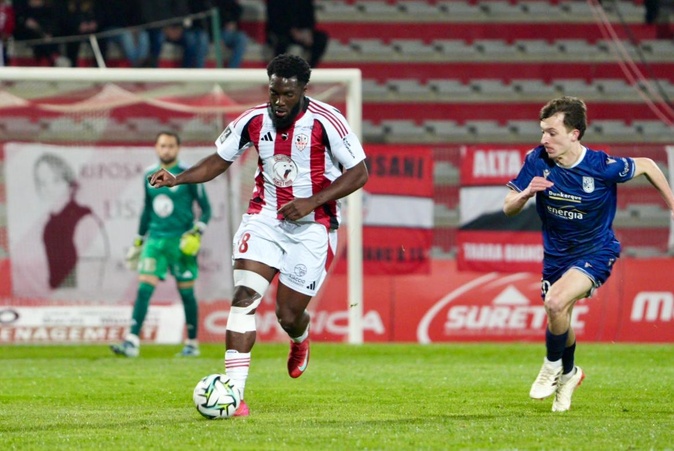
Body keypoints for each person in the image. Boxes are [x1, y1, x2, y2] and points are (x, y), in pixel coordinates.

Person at [148, 54, 368, 416]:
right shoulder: (252, 120)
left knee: (288, 313)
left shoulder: (327, 121)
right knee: (244, 297)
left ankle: (299, 339)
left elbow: (359, 173)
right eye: (274, 92)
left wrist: (311, 202)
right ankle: (234, 394)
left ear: (302, 90)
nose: (278, 101)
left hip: (314, 227)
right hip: (264, 219)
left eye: (287, 94)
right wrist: (178, 178)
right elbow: (219, 160)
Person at [503, 96, 674, 412]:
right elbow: (508, 207)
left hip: (596, 251)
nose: (544, 139)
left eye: (552, 132)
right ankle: (569, 374)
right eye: (543, 131)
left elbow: (648, 165)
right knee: (559, 315)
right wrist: (526, 193)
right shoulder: (537, 160)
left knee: (555, 301)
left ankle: (551, 366)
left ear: (574, 134)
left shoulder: (601, 166)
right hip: (556, 257)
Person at [111, 131, 212, 358]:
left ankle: (192, 344)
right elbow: (147, 209)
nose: (166, 150)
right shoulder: (149, 174)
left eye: (171, 146)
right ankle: (132, 342)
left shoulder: (188, 174)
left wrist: (197, 232)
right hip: (155, 239)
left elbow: (206, 209)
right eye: (163, 146)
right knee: (144, 287)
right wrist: (139, 239)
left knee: (186, 292)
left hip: (181, 242)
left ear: (178, 148)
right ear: (157, 148)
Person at [34, 153, 109, 291]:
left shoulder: (84, 220)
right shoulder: (50, 223)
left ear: (69, 183)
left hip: (79, 301)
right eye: (42, 183)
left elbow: (93, 270)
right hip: (58, 302)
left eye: (55, 180)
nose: (48, 188)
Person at [265, 0, 329, 68]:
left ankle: (309, 69)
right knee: (281, 42)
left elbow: (309, 18)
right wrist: (292, 31)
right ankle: (279, 70)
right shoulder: (275, 2)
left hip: (301, 33)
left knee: (321, 38)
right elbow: (274, 21)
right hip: (281, 32)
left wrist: (308, 32)